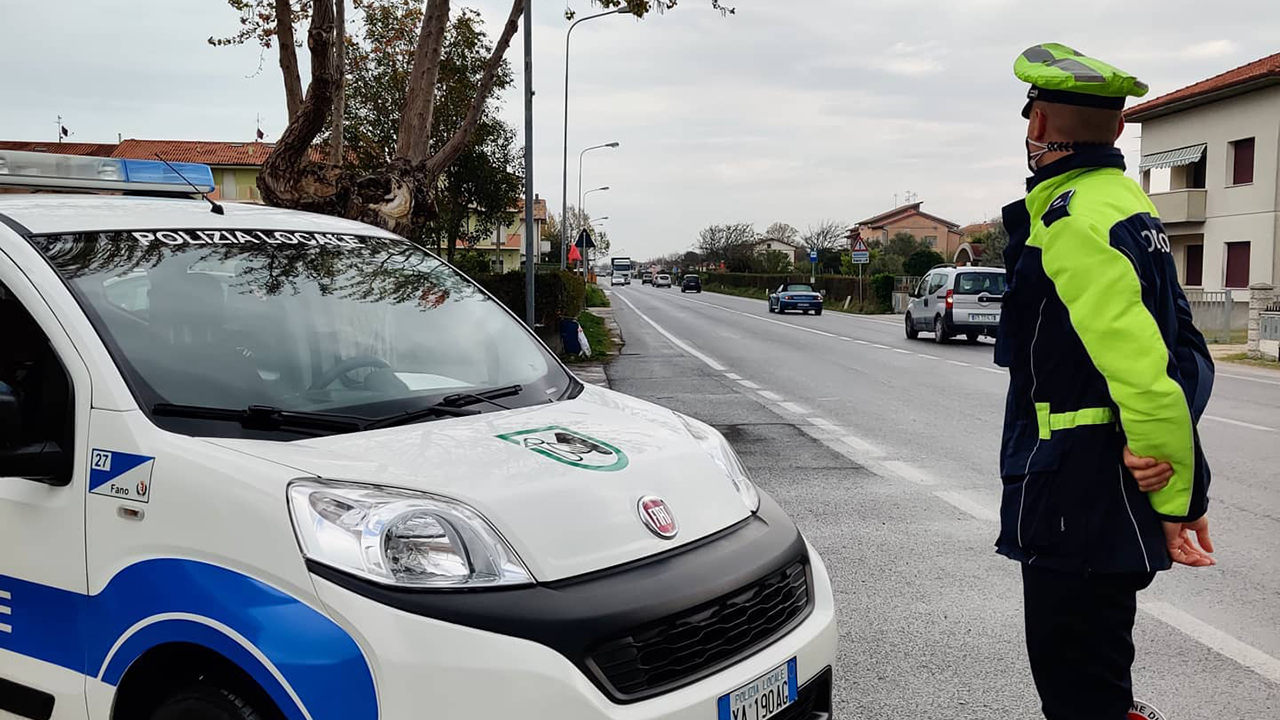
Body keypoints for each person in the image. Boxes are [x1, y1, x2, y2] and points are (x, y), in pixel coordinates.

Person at [995, 43, 1216, 719]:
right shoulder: (1129, 206)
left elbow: (1147, 379)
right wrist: (1186, 487)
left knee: (1078, 693)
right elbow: (1188, 357)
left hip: (1073, 498)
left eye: (1031, 115)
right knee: (1098, 680)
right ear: (1119, 130)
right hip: (1101, 496)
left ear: (1036, 129)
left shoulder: (1073, 224)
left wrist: (1177, 496)